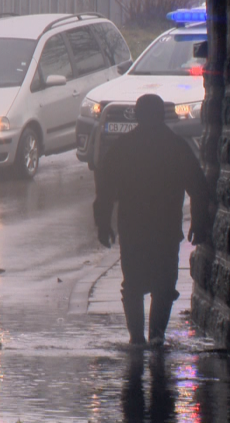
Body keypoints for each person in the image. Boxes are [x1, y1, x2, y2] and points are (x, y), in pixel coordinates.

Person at [93, 94, 211, 346]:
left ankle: (136, 340)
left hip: (132, 228)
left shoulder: (122, 148)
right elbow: (199, 188)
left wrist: (103, 225)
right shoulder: (177, 146)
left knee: (133, 285)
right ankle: (157, 337)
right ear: (161, 115)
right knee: (164, 285)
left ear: (137, 115)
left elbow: (105, 191)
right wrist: (198, 223)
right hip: (166, 230)